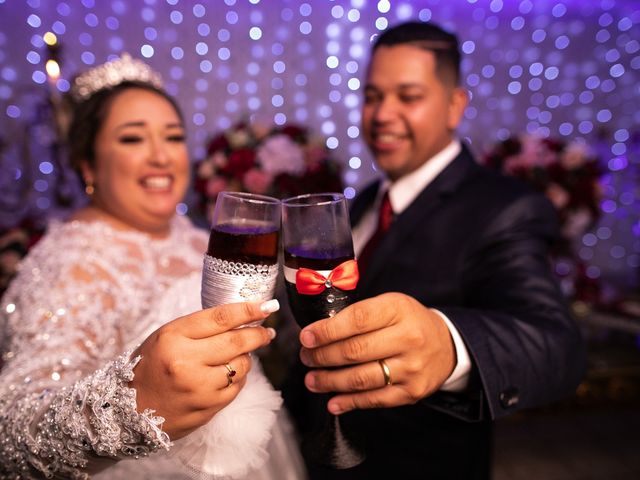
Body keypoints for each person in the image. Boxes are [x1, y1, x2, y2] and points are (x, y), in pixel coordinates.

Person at [283, 21, 586, 479]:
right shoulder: (363, 202)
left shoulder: (505, 207)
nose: (382, 114)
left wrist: (449, 345)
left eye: (408, 96)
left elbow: (557, 347)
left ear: (454, 105)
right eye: (371, 96)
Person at [0, 54, 306, 479]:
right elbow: (13, 426)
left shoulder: (201, 238)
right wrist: (133, 405)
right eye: (132, 139)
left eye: (174, 137)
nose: (161, 156)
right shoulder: (72, 262)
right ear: (88, 164)